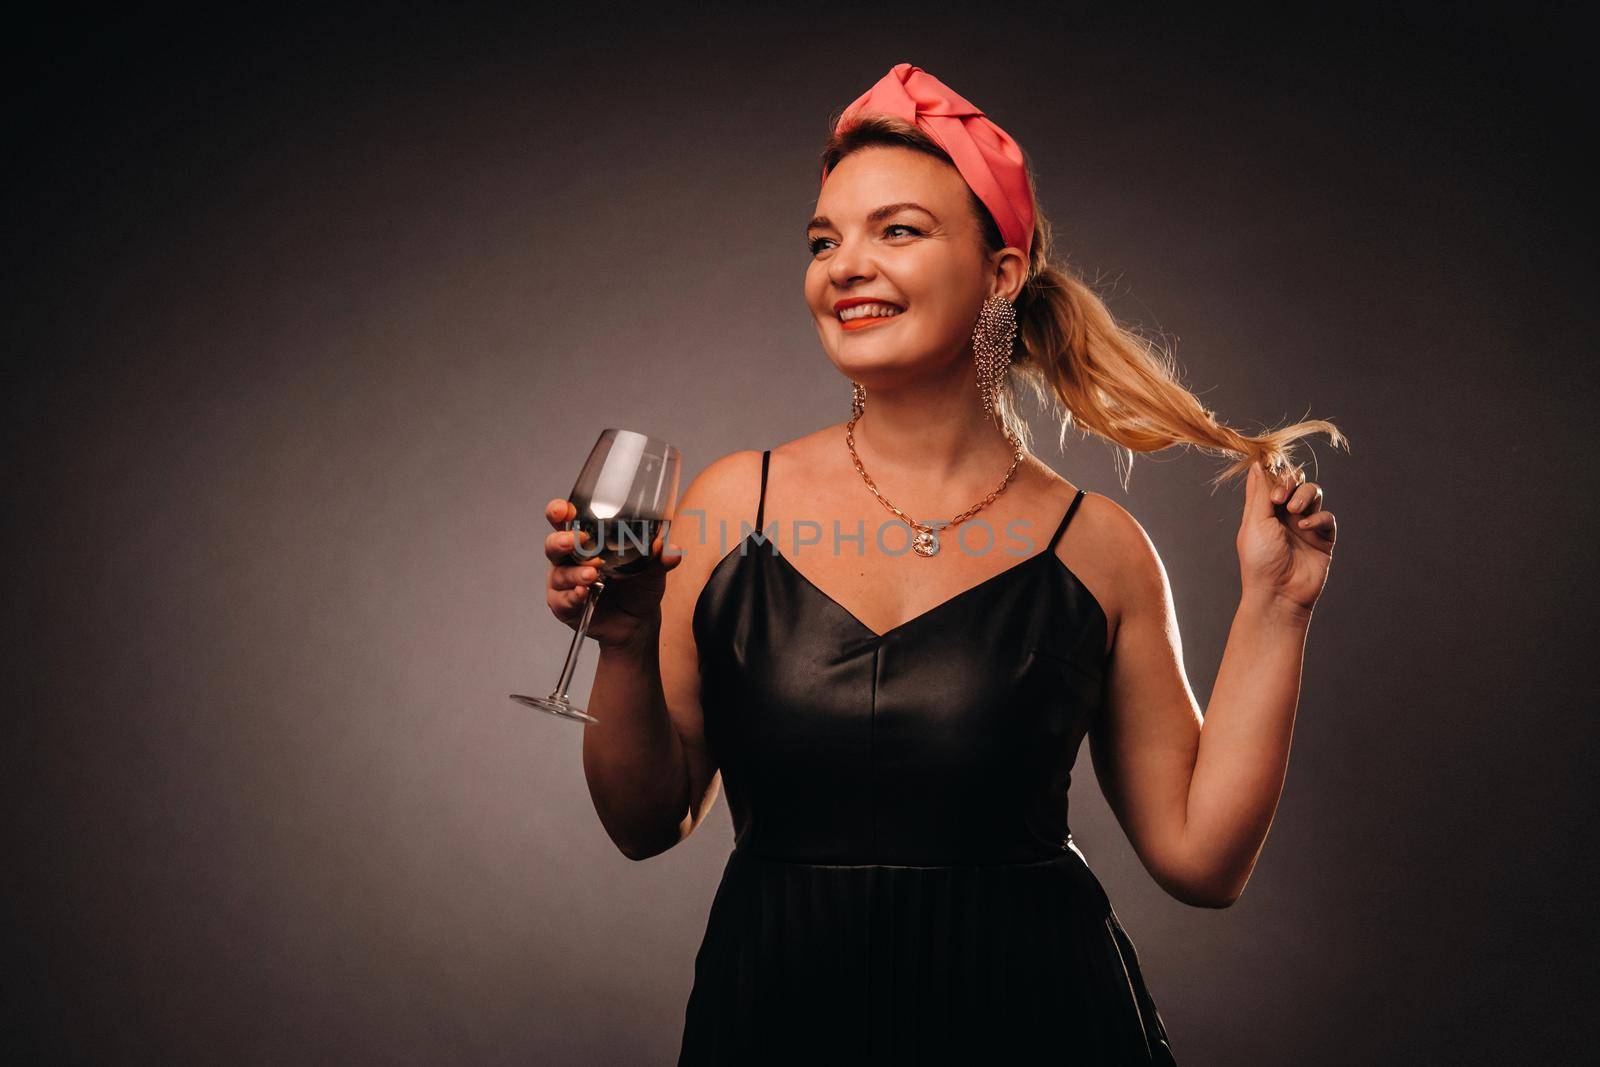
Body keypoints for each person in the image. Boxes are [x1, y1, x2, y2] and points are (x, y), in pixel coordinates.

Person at [542, 62, 1344, 1065]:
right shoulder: (726, 501)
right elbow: (644, 820)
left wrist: (1277, 600)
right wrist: (620, 644)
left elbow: (1203, 858)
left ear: (1002, 272)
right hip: (779, 1020)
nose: (843, 265)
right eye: (823, 240)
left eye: (898, 231)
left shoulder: (1097, 545)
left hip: (1041, 1025)